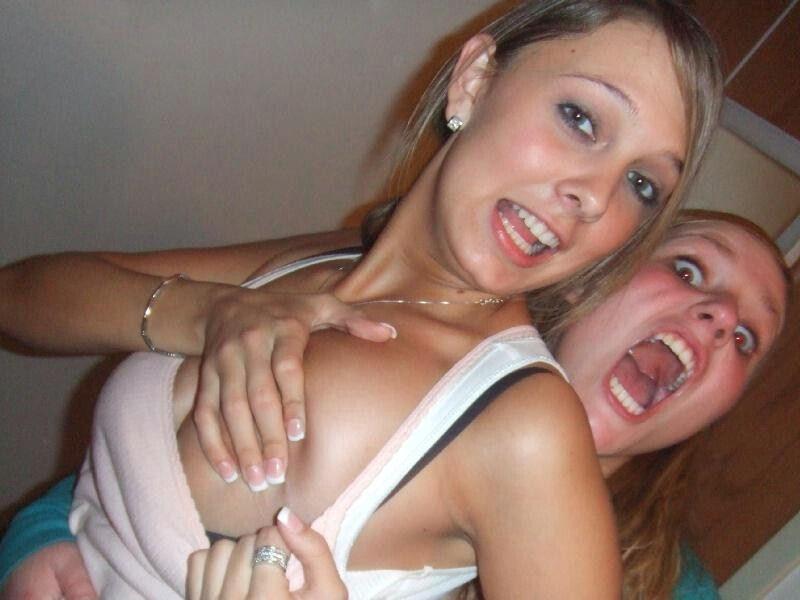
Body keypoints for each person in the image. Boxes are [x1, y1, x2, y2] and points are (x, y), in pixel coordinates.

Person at [0, 0, 723, 597]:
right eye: (581, 119)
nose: (595, 197)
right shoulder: (326, 260)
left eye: (642, 185)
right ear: (474, 81)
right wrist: (206, 313)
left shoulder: (524, 425)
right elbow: (20, 296)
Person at [3, 209, 789, 600]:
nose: (720, 319)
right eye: (690, 270)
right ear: (595, 276)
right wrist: (39, 541)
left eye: (748, 339)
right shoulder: (382, 324)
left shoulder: (677, 590)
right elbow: (147, 478)